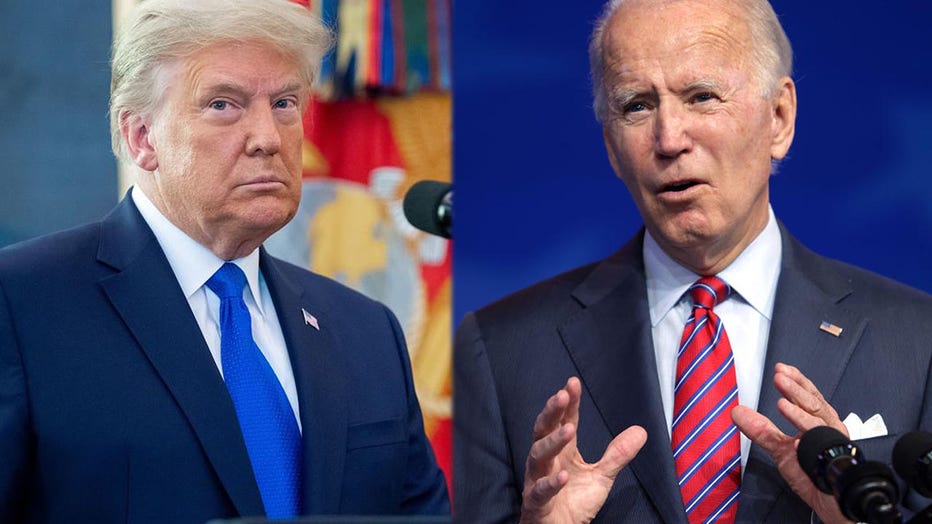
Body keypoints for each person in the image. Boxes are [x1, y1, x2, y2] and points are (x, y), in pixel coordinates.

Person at [453, 0, 932, 522]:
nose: (669, 139)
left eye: (702, 97)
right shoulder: (502, 350)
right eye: (636, 105)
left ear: (779, 117)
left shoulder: (916, 340)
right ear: (611, 146)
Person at [0, 0, 449, 522]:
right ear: (141, 137)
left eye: (284, 103)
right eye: (223, 105)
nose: (268, 138)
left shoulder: (367, 331)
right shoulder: (23, 303)